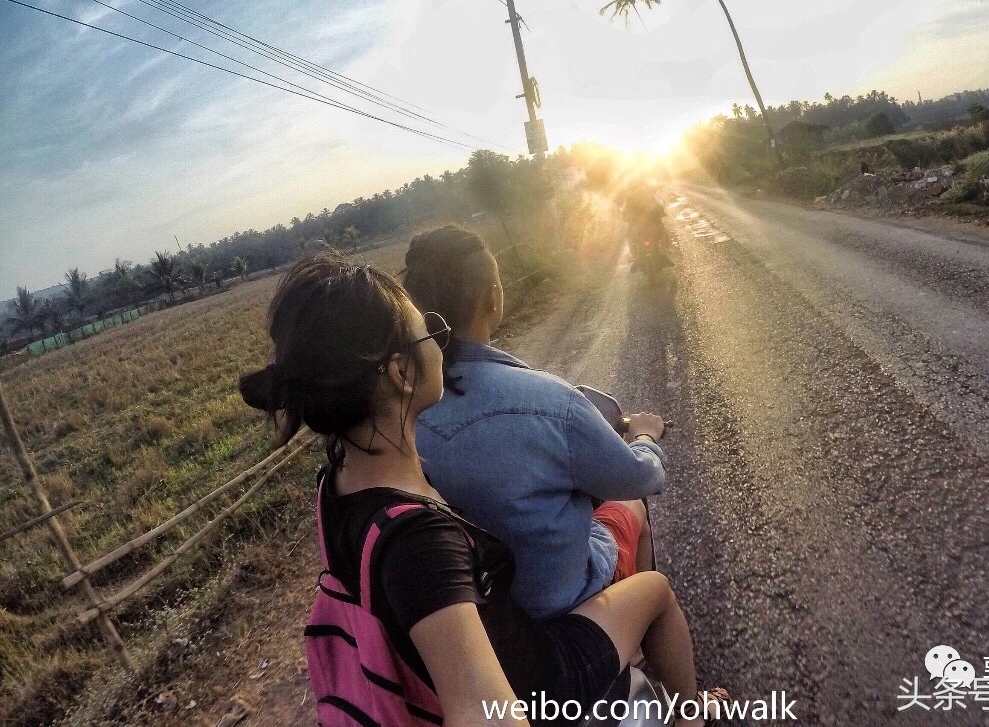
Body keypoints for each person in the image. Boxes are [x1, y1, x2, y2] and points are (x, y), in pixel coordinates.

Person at [239, 255, 722, 726]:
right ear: (401, 373)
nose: (441, 339)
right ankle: (691, 717)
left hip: (423, 675)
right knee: (656, 590)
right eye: (428, 329)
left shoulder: (338, 485)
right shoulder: (418, 540)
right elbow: (483, 712)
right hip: (540, 681)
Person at [404, 225, 665, 620]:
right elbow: (641, 477)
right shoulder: (551, 402)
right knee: (633, 503)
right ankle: (636, 632)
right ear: (493, 299)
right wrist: (645, 437)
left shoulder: (403, 416)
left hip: (478, 614)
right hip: (562, 600)